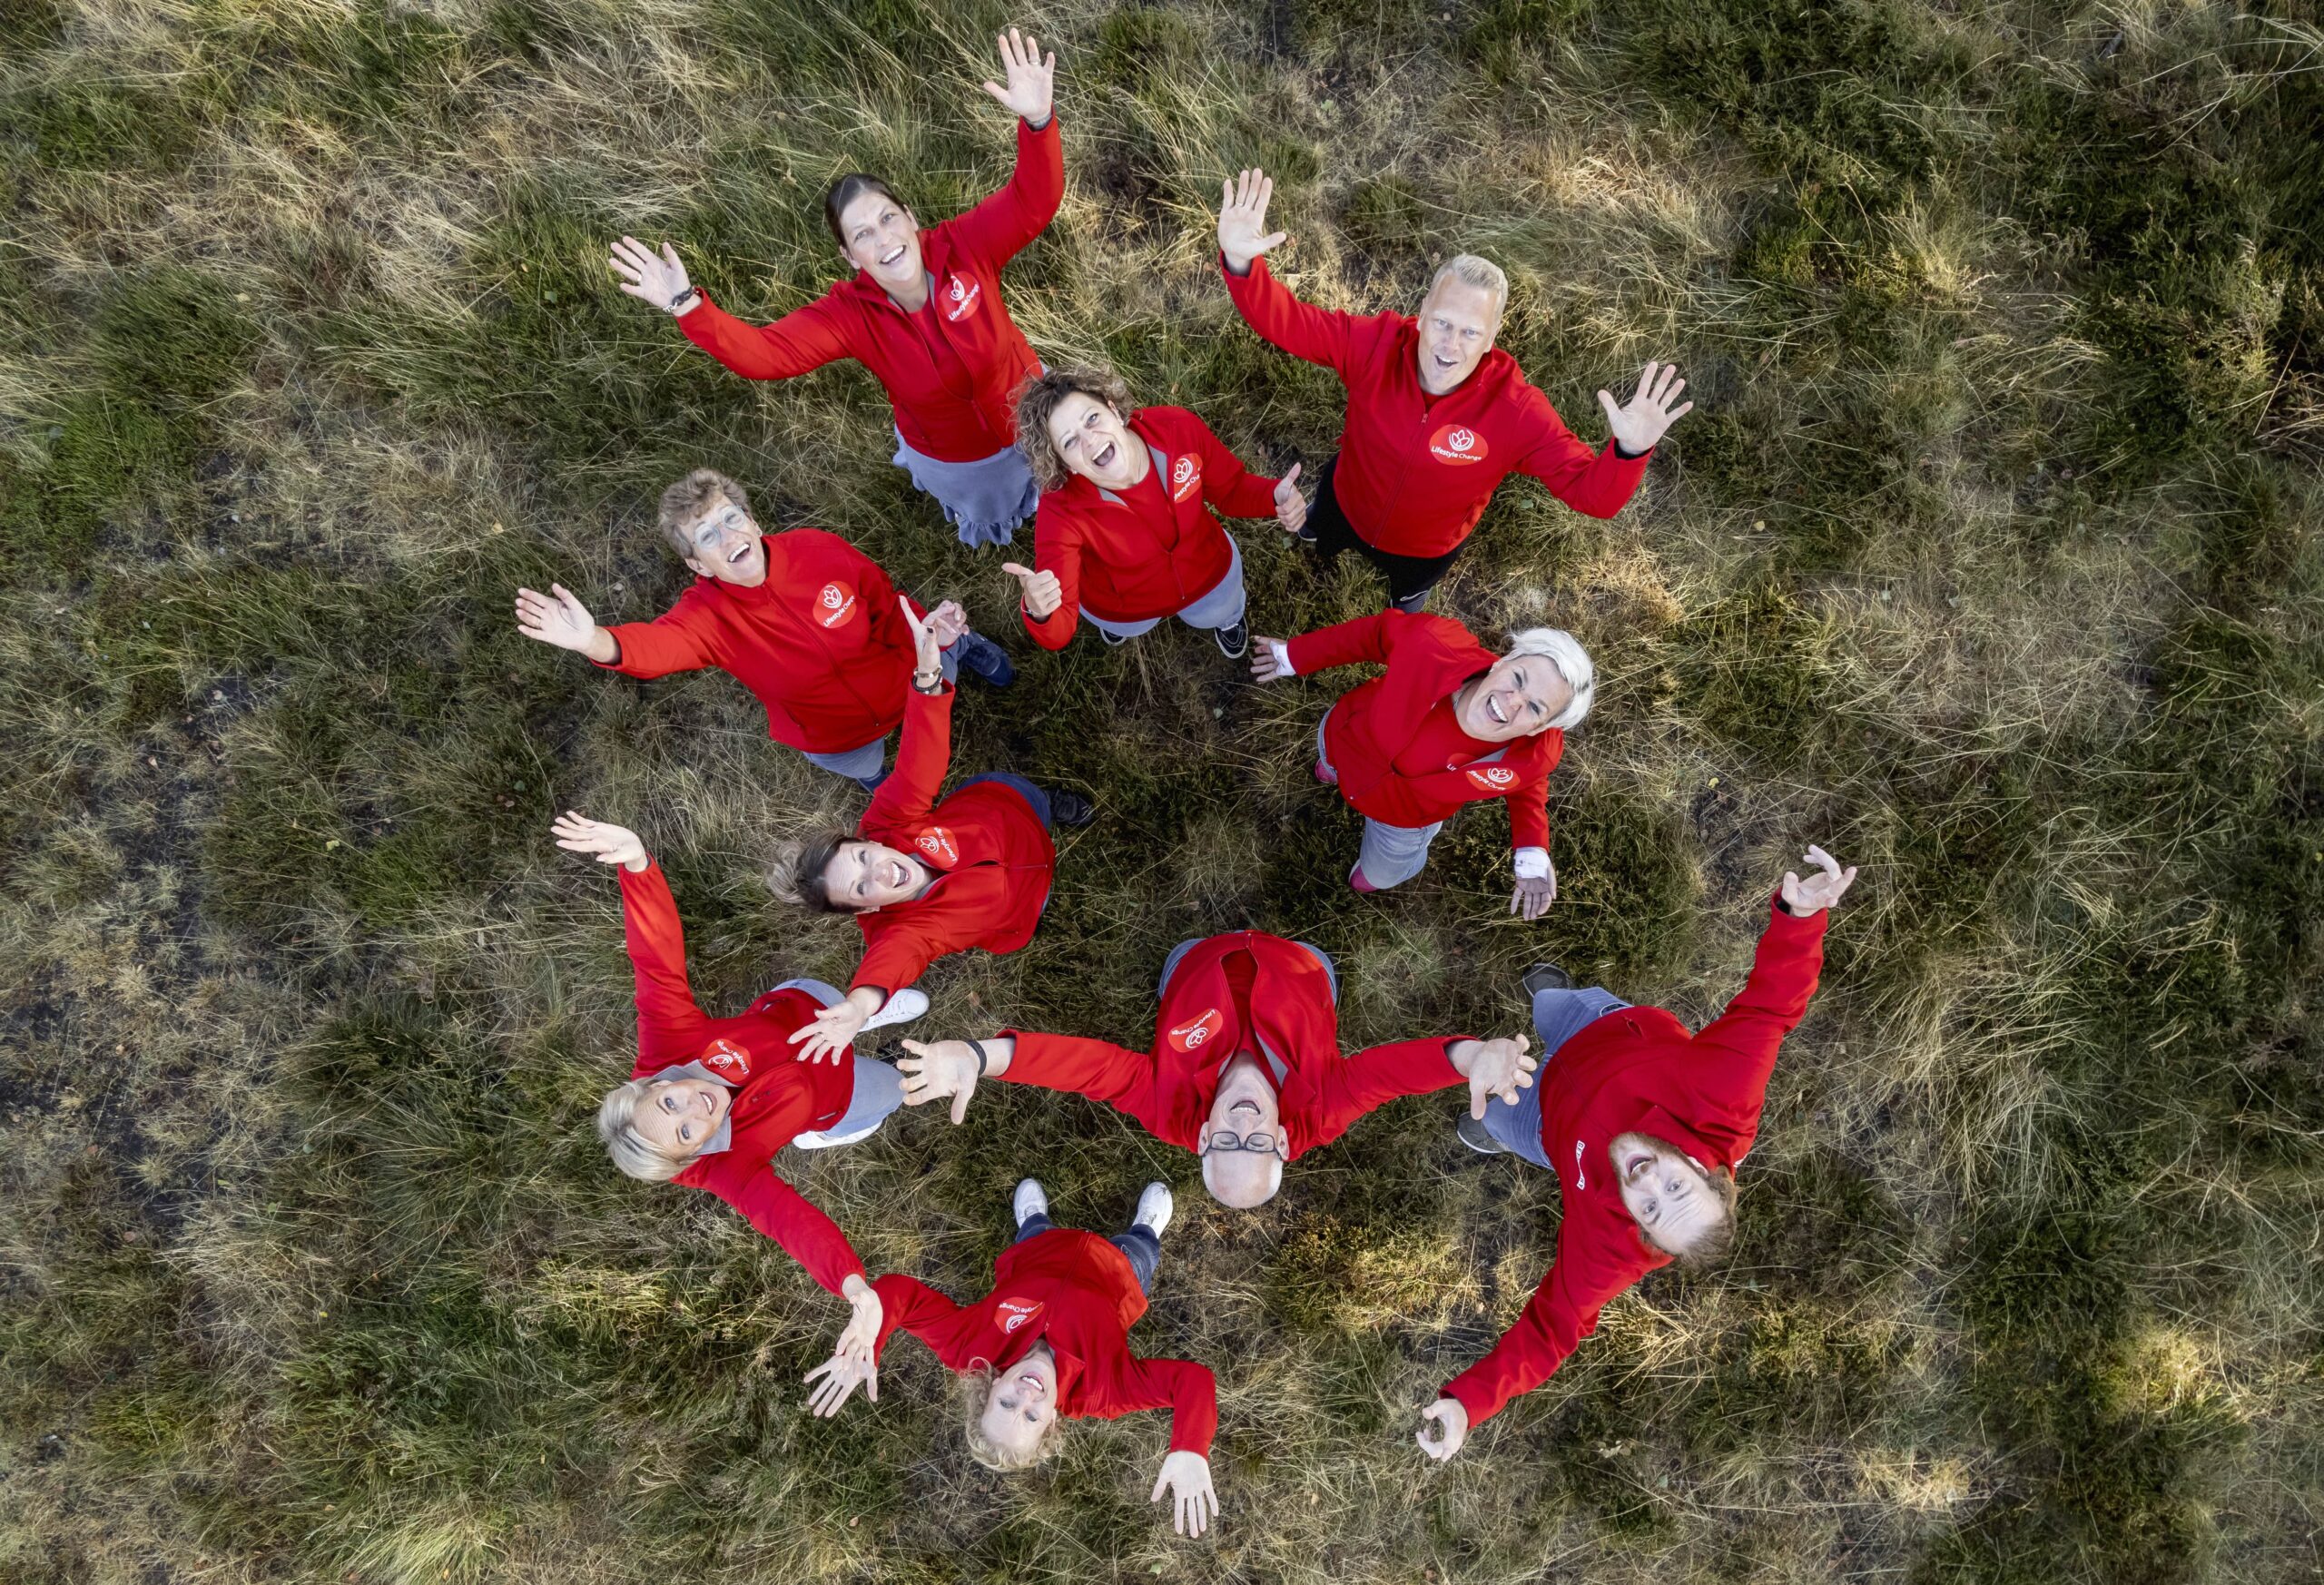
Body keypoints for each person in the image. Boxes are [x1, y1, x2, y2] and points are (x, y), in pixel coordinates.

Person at [1413, 846, 1859, 1462]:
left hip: (1547, 1125)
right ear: (1702, 1169)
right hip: (1596, 1027)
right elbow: (1769, 1008)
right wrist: (1800, 918)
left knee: (1495, 1114)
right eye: (1675, 1186)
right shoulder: (1725, 1099)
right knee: (1552, 1005)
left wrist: (1469, 1403)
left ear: (1640, 1231)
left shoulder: (1610, 1248)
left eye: (1649, 1208)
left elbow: (1553, 1329)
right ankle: (1553, 997)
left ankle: (1498, 1130)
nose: (1647, 1181)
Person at [609, 31, 1062, 546]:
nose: (884, 240)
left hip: (1031, 407)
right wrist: (685, 304)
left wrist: (1038, 122)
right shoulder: (850, 316)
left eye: (888, 218)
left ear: (910, 217)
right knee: (998, 503)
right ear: (849, 256)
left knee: (1058, 467)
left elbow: (1033, 201)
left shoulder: (964, 246)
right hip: (961, 457)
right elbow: (765, 355)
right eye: (862, 235)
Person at [1214, 167, 1694, 612]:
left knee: (1405, 601)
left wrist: (1630, 451)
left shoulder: (1517, 411)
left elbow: (1593, 496)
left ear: (1492, 337)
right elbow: (1289, 323)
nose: (1450, 345)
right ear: (1422, 314)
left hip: (1423, 551)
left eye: (1470, 332)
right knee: (1321, 537)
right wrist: (1240, 261)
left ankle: (1405, 599)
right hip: (1345, 501)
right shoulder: (1375, 345)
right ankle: (1318, 542)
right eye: (1443, 322)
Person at [555, 809, 935, 1367]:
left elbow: (655, 963)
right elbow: (787, 1221)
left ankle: (868, 1013)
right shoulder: (726, 1167)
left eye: (669, 1101)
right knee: (898, 1089)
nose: (696, 1105)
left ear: (653, 1084)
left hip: (804, 1009)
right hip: (837, 1096)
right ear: (692, 1154)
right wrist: (854, 1287)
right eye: (687, 1131)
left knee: (840, 1000)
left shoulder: (667, 1047)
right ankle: (818, 1132)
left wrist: (637, 865)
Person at [891, 930, 1538, 1208]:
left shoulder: (1168, 1108)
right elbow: (1388, 1077)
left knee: (1183, 962)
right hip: (1299, 967)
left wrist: (981, 1056)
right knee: (1316, 967)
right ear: (1283, 1143)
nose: (1245, 1126)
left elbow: (1085, 1070)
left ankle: (1193, 959)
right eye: (1259, 1144)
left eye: (1228, 1141)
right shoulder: (1320, 1111)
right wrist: (1468, 1058)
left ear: (1202, 1137)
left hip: (1197, 966)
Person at [514, 468, 1012, 793]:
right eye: (707, 536)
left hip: (909, 674)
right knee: (867, 769)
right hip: (835, 733)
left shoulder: (818, 548)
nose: (728, 536)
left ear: (753, 523)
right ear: (698, 565)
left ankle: (964, 647)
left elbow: (885, 602)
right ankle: (877, 777)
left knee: (942, 645)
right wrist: (591, 640)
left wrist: (932, 635)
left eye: (732, 519)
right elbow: (657, 645)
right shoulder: (706, 618)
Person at [800, 1176, 1222, 1537]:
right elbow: (1193, 1382)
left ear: (991, 1386)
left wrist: (870, 1341)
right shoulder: (1103, 1392)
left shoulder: (969, 1351)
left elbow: (902, 1298)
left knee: (1035, 1232)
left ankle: (1034, 1220)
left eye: (1006, 1404)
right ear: (1052, 1422)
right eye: (1032, 1417)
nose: (1026, 1397)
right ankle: (1145, 1229)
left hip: (1037, 1252)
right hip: (1119, 1270)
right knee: (1140, 1249)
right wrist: (1190, 1447)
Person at [775, 598, 1090, 1063]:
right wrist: (860, 1005)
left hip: (1007, 804)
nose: (880, 872)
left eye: (863, 858)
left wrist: (927, 676)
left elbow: (919, 761)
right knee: (1039, 900)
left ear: (868, 841)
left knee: (1035, 799)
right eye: (861, 888)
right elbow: (892, 959)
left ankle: (1050, 805)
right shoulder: (904, 929)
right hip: (1023, 908)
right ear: (868, 909)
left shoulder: (889, 820)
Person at [1250, 610, 1593, 912]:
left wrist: (1532, 847)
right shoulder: (1433, 644)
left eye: (1534, 707)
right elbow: (1375, 635)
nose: (1513, 701)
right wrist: (1294, 655)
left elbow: (1527, 780)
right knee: (1330, 757)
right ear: (1501, 662)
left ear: (1540, 727)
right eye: (1517, 678)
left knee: (1383, 872)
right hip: (1346, 739)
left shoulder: (1535, 752)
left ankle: (1377, 876)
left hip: (1405, 820)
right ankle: (1331, 769)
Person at [1000, 366, 1309, 659]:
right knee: (1130, 626)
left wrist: (1272, 496)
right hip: (1122, 609)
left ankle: (1227, 620)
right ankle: (1116, 628)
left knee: (1221, 609)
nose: (1090, 440)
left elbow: (1231, 489)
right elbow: (1059, 629)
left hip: (1209, 573)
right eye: (1070, 441)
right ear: (1065, 464)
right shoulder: (1059, 509)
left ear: (1114, 410)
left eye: (1092, 418)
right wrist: (1039, 611)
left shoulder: (1177, 429)